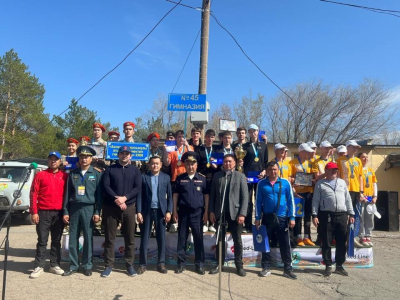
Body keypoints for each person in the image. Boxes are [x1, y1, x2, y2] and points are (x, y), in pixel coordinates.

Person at [100, 145, 142, 277]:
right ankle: (108, 265)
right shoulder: (110, 169)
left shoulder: (135, 170)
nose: (124, 155)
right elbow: (105, 186)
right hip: (111, 207)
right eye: (122, 153)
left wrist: (125, 198)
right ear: (118, 155)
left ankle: (129, 265)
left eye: (127, 153)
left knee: (129, 238)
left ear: (130, 156)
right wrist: (116, 199)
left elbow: (137, 188)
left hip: (128, 207)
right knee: (109, 238)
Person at [62, 146, 103, 277]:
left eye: (86, 157)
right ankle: (73, 265)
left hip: (89, 209)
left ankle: (87, 265)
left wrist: (97, 212)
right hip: (74, 209)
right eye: (81, 157)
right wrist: (65, 211)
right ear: (78, 159)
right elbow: (67, 195)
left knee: (88, 238)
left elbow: (99, 196)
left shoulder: (96, 174)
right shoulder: (73, 173)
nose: (84, 159)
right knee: (73, 239)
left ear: (91, 159)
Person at [29, 151, 68, 279]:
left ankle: (54, 264)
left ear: (60, 161)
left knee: (56, 241)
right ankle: (39, 266)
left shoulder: (65, 176)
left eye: (56, 159)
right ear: (48, 161)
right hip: (43, 212)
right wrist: (34, 212)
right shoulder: (40, 175)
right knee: (42, 240)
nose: (53, 161)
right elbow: (33, 194)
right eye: (51, 159)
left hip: (58, 213)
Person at [255, 161, 297, 279]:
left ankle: (287, 269)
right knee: (265, 243)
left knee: (284, 243)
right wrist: (257, 218)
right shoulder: (262, 184)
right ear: (267, 171)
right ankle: (266, 267)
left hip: (282, 218)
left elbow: (290, 201)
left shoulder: (285, 183)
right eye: (270, 169)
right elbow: (258, 202)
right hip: (267, 217)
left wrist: (292, 217)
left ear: (278, 170)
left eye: (275, 169)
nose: (273, 172)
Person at [312, 162, 355, 277]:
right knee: (327, 241)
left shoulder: (342, 183)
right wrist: (314, 215)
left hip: (342, 215)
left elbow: (348, 199)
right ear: (326, 171)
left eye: (335, 170)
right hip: (326, 215)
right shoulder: (320, 184)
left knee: (342, 241)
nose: (334, 172)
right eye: (331, 170)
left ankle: (339, 266)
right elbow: (315, 200)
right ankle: (328, 265)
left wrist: (351, 213)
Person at [209, 154, 248, 277]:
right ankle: (219, 264)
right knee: (220, 240)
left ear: (235, 163)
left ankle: (239, 265)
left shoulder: (240, 176)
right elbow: (212, 196)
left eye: (230, 162)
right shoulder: (217, 176)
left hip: (235, 214)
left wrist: (242, 213)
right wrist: (211, 211)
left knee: (237, 240)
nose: (227, 164)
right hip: (220, 213)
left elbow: (245, 197)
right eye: (225, 162)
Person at [172, 151, 209, 275]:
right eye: (187, 164)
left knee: (198, 239)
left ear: (196, 165)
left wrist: (206, 212)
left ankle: (199, 264)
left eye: (192, 164)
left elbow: (206, 197)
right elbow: (175, 195)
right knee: (181, 239)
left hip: (198, 213)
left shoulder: (202, 179)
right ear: (185, 165)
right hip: (182, 212)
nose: (190, 166)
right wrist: (174, 211)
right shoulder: (180, 178)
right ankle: (181, 264)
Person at [137, 155, 172, 274]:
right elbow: (139, 196)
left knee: (161, 239)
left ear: (161, 165)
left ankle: (161, 264)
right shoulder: (144, 177)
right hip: (147, 211)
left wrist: (169, 211)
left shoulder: (166, 178)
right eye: (153, 163)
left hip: (161, 212)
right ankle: (142, 264)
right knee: (144, 238)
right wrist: (139, 212)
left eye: (157, 163)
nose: (155, 165)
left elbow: (170, 197)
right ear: (149, 164)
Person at [241, 124, 268, 233]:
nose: (253, 133)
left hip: (260, 177)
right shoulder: (245, 146)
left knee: (260, 200)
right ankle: (247, 224)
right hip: (248, 177)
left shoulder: (264, 146)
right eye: (251, 131)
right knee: (247, 201)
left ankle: (260, 222)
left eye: (255, 131)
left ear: (258, 131)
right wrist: (243, 174)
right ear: (249, 132)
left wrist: (264, 171)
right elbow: (241, 163)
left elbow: (265, 161)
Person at [337, 140, 364, 247]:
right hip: (344, 190)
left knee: (353, 214)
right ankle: (341, 237)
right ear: (348, 148)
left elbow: (360, 176)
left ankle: (351, 237)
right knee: (343, 213)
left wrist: (361, 192)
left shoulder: (358, 160)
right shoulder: (340, 159)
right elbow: (338, 175)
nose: (355, 149)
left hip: (355, 190)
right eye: (353, 147)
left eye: (356, 148)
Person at [289, 143, 315, 246]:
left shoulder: (310, 163)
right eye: (307, 151)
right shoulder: (292, 163)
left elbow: (313, 176)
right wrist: (295, 180)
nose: (309, 153)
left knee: (308, 215)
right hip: (298, 193)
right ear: (301, 152)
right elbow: (289, 177)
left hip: (308, 192)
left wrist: (313, 180)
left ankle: (307, 237)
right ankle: (298, 236)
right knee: (298, 216)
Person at [196, 129, 218, 232]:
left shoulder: (217, 149)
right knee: (202, 201)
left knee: (212, 200)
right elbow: (197, 163)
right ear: (205, 137)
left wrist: (216, 166)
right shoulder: (200, 149)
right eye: (208, 136)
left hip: (213, 177)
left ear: (214, 138)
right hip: (202, 177)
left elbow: (220, 164)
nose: (210, 139)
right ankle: (204, 222)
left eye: (212, 137)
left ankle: (212, 223)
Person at [357, 152, 378, 247]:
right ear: (359, 159)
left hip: (370, 197)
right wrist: (360, 195)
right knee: (361, 217)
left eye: (366, 157)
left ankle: (368, 235)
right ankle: (361, 237)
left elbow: (374, 184)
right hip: (361, 197)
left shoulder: (370, 170)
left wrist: (375, 196)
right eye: (363, 157)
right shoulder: (357, 170)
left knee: (370, 217)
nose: (365, 159)